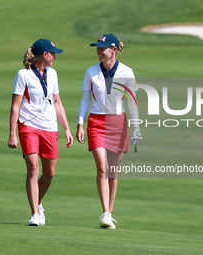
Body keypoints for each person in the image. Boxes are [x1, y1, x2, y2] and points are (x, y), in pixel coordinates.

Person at [76, 33, 142, 229]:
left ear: (114, 50)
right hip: (96, 122)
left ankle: (109, 213)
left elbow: (132, 101)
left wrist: (136, 127)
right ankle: (105, 213)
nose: (98, 52)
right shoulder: (91, 72)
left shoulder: (127, 72)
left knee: (113, 172)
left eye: (102, 48)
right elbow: (85, 99)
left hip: (118, 123)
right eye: (97, 48)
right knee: (102, 168)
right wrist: (80, 123)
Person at [8, 39, 73, 226]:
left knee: (50, 173)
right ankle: (35, 214)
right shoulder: (23, 75)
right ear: (44, 55)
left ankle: (39, 202)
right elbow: (15, 106)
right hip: (28, 125)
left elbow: (57, 102)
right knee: (33, 168)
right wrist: (13, 133)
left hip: (49, 126)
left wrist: (66, 128)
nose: (55, 56)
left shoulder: (53, 74)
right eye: (53, 53)